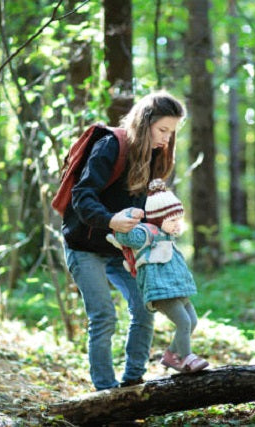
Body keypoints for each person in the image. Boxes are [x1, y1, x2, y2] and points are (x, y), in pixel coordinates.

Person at [62, 91, 185, 390]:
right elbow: (82, 195)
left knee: (145, 307)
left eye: (172, 133)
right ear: (145, 123)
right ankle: (106, 391)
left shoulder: (155, 155)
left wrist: (166, 224)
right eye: (162, 130)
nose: (167, 140)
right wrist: (110, 219)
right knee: (104, 316)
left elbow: (150, 207)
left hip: (123, 248)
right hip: (85, 245)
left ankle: (133, 383)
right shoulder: (110, 146)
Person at [112, 179, 209, 373]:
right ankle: (186, 358)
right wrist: (128, 216)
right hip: (160, 290)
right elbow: (125, 236)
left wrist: (174, 227)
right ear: (158, 218)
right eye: (172, 220)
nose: (177, 225)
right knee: (183, 322)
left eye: (178, 220)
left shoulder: (166, 235)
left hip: (176, 288)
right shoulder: (147, 233)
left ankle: (171, 356)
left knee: (193, 321)